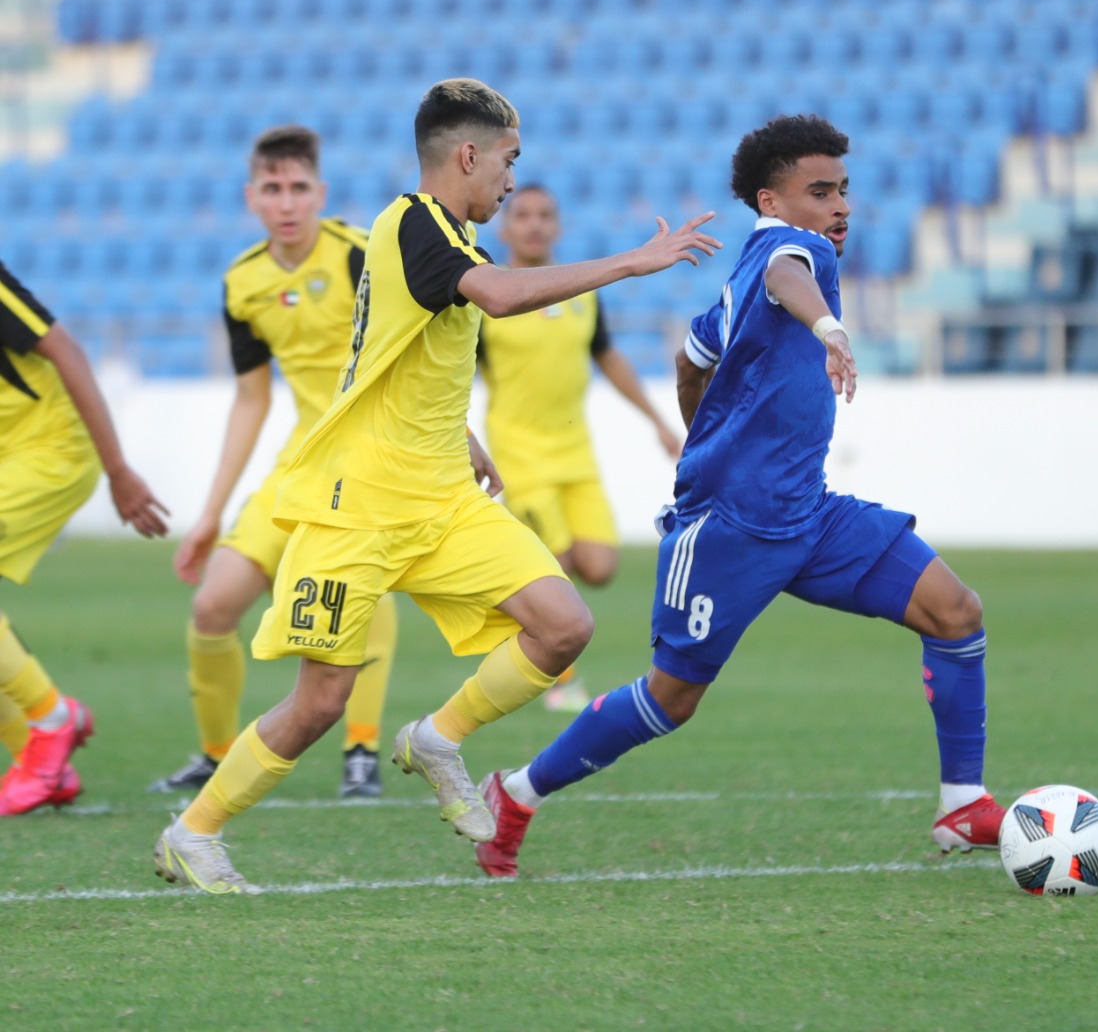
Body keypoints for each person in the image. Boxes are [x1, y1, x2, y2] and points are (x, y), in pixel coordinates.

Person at [152, 77, 720, 894]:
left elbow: (402, 351)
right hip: (357, 507)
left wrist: (464, 436)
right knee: (320, 703)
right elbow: (499, 298)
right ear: (469, 155)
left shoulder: (450, 237)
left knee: (563, 626)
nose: (513, 179)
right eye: (509, 161)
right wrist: (633, 261)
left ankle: (437, 738)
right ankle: (194, 832)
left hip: (444, 499)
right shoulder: (413, 222)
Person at [473, 115, 1005, 879]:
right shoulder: (790, 253)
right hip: (728, 529)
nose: (839, 207)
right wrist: (827, 327)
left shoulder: (741, 280)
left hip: (809, 514)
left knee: (955, 611)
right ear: (771, 201)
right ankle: (516, 793)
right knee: (671, 699)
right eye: (819, 192)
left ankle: (962, 803)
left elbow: (692, 361)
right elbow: (790, 274)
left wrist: (707, 433)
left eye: (843, 190)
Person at [153, 126, 398, 801]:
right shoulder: (243, 281)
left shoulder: (361, 257)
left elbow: (414, 355)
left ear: (320, 192)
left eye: (298, 188)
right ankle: (213, 754)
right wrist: (210, 514)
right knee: (213, 605)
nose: (286, 202)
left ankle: (360, 751)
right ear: (251, 197)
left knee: (363, 599)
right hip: (300, 466)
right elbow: (251, 400)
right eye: (272, 188)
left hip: (375, 463)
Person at [478, 184, 682, 712]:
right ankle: (559, 681)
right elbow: (451, 371)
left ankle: (507, 605)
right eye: (523, 215)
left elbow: (608, 357)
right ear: (505, 227)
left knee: (599, 565)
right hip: (519, 456)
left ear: (559, 227)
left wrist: (658, 422)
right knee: (556, 564)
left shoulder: (582, 293)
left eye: (545, 215)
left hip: (575, 454)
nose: (534, 224)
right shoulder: (488, 296)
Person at [1, 261, 168, 815]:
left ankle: (53, 721)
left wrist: (118, 470)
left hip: (51, 451)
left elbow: (67, 351)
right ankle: (40, 761)